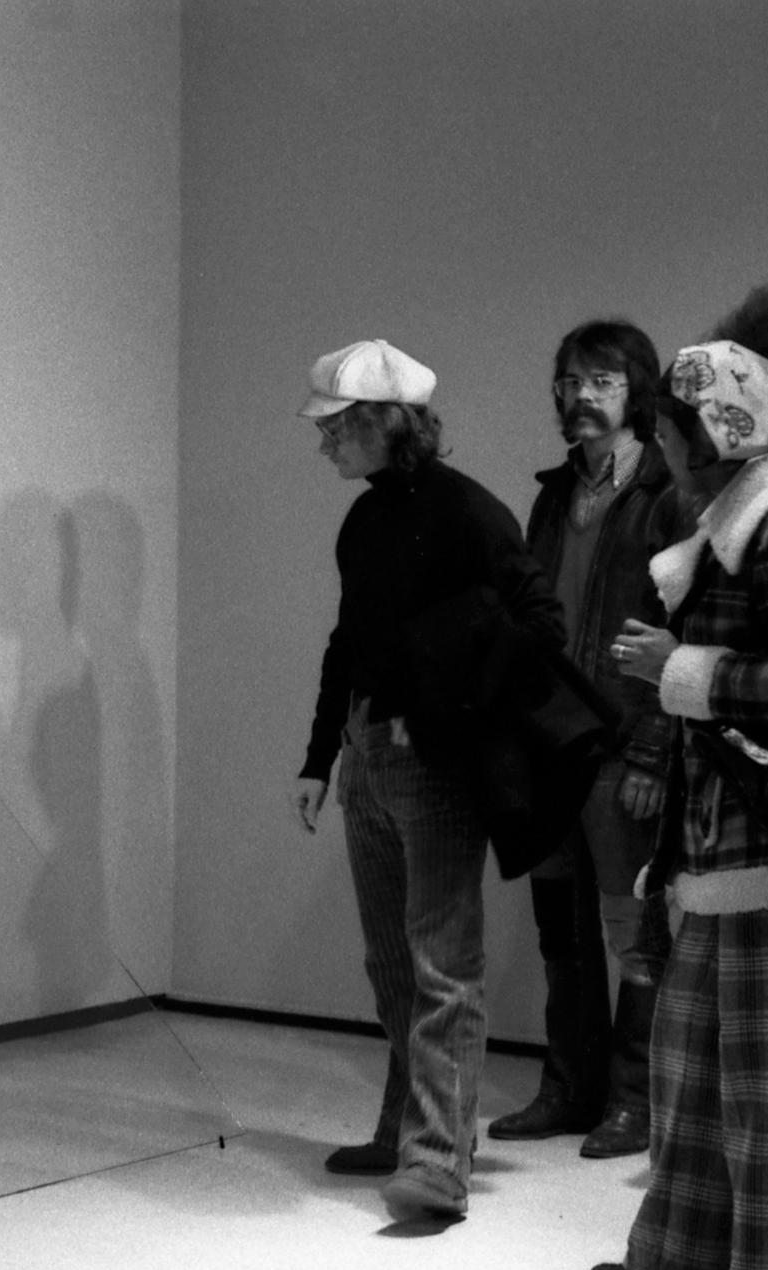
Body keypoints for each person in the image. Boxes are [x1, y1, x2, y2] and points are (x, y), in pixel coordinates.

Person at [288, 339, 569, 1224]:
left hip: (434, 763)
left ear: (381, 423)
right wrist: (318, 756)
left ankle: (439, 1161)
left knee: (443, 963)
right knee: (393, 963)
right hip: (372, 755)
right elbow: (347, 642)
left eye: (336, 428)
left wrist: (456, 701)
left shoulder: (468, 513)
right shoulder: (365, 519)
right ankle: (408, 1129)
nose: (326, 445)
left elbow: (540, 625)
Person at [590, 290, 768, 1270]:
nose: (660, 448)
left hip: (767, 843)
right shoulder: (733, 523)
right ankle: (683, 1262)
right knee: (693, 1068)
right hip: (724, 841)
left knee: (762, 1087)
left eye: (670, 428)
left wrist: (683, 671)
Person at [490, 321, 680, 1159]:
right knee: (559, 927)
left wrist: (650, 750)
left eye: (599, 381)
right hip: (551, 743)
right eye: (568, 381)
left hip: (620, 743)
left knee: (630, 930)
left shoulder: (668, 496)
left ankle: (633, 1103)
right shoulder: (552, 494)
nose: (579, 397)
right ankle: (569, 1090)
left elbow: (685, 627)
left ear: (635, 390)